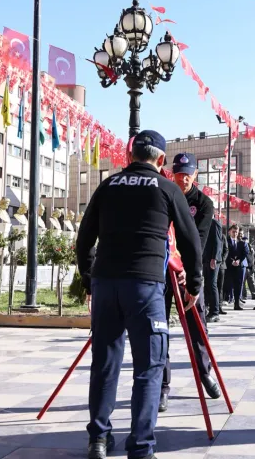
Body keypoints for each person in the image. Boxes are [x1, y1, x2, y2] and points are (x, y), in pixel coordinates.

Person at [75, 130, 203, 459]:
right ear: (161, 161)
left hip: (106, 284)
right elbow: (190, 241)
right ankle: (141, 447)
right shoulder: (167, 188)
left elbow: (84, 238)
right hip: (145, 286)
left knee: (104, 363)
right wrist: (195, 285)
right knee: (148, 368)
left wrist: (90, 279)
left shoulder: (108, 185)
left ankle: (98, 440)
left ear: (130, 156)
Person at [159, 153, 221, 413]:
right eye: (178, 173)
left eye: (187, 174)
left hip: (190, 271)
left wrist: (186, 270)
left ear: (195, 174)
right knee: (159, 328)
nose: (182, 178)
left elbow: (199, 240)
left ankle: (205, 372)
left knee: (197, 326)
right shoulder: (165, 195)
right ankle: (162, 385)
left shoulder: (204, 203)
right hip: (163, 270)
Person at [223, 224, 249, 310]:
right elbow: (225, 252)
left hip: (239, 267)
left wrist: (238, 260)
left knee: (238, 285)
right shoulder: (226, 241)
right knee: (227, 284)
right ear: (229, 232)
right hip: (229, 267)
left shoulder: (242, 243)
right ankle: (226, 299)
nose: (235, 233)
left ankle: (237, 303)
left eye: (236, 232)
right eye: (233, 232)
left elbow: (245, 253)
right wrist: (231, 261)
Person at [205, 217, 224, 323]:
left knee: (212, 284)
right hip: (206, 258)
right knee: (207, 284)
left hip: (213, 259)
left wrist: (214, 258)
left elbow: (218, 242)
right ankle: (209, 310)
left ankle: (215, 312)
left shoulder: (214, 223)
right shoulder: (204, 221)